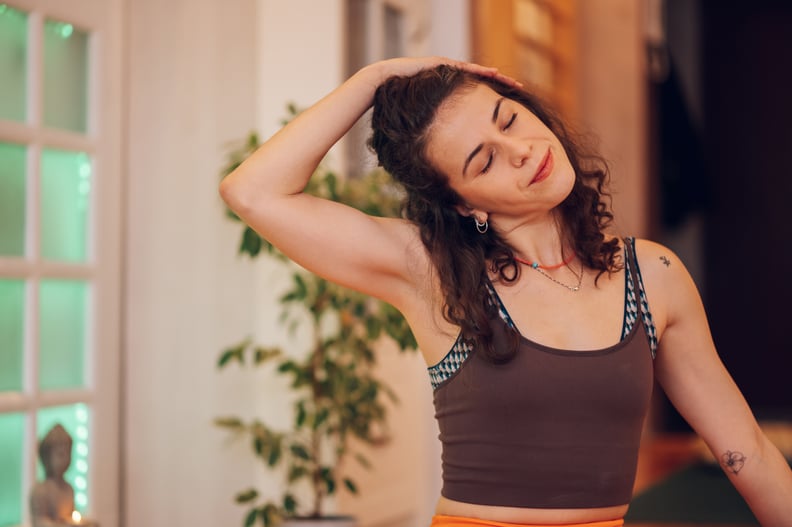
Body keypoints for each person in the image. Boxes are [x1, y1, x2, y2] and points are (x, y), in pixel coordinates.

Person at [220, 57, 792, 527]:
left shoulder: (654, 274)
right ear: (465, 202)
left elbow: (748, 451)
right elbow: (254, 192)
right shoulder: (431, 270)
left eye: (507, 118)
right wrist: (374, 78)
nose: (520, 149)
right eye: (483, 158)